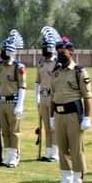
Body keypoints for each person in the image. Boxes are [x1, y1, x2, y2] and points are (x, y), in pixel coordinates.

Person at [49, 36, 92, 183]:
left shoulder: (79, 71)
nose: (60, 54)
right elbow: (53, 96)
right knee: (62, 147)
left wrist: (87, 117)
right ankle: (66, 178)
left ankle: (78, 180)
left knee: (76, 148)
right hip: (59, 114)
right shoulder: (56, 72)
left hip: (73, 113)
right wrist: (52, 116)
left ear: (71, 52)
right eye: (58, 51)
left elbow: (87, 96)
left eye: (64, 51)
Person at [0, 29, 26, 168]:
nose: (1, 52)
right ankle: (7, 155)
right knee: (5, 131)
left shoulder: (18, 67)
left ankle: (14, 156)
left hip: (13, 102)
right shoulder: (0, 66)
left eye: (3, 50)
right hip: (2, 102)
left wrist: (20, 105)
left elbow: (22, 87)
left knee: (14, 131)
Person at [36, 27, 61, 162]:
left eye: (46, 47)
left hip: (53, 97)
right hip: (43, 96)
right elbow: (37, 82)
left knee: (54, 126)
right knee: (46, 126)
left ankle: (55, 153)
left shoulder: (58, 63)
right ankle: (48, 152)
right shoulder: (41, 63)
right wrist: (37, 98)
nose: (44, 49)